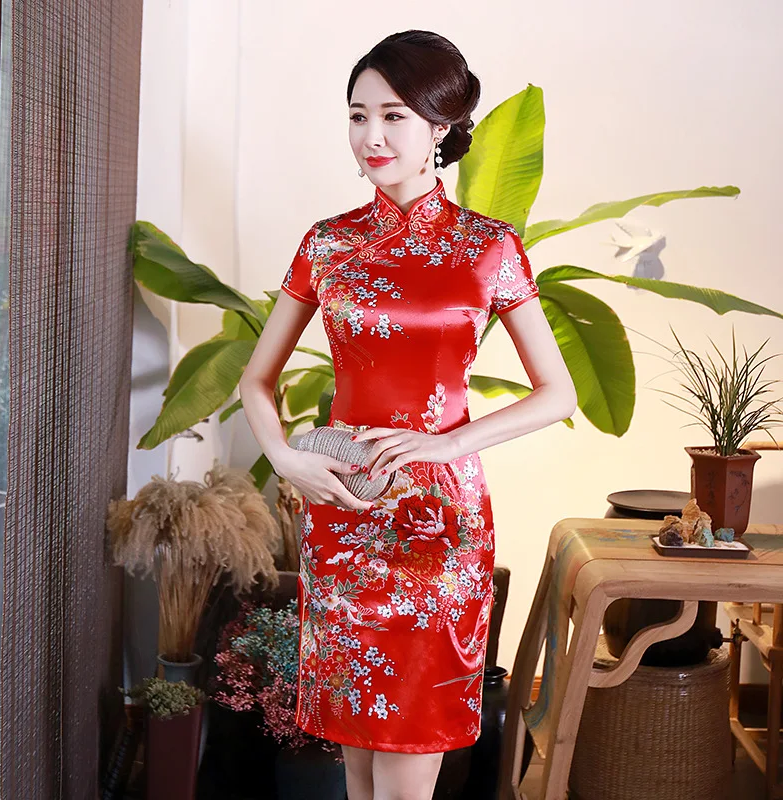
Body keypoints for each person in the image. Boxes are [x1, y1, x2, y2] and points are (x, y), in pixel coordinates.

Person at [239, 29, 576, 800]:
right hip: (343, 511)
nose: (372, 137)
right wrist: (287, 460)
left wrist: (445, 444)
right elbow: (258, 380)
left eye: (393, 116)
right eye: (358, 116)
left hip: (440, 526)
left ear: (441, 126)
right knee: (358, 763)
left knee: (408, 759)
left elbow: (558, 393)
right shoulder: (327, 245)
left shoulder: (489, 248)